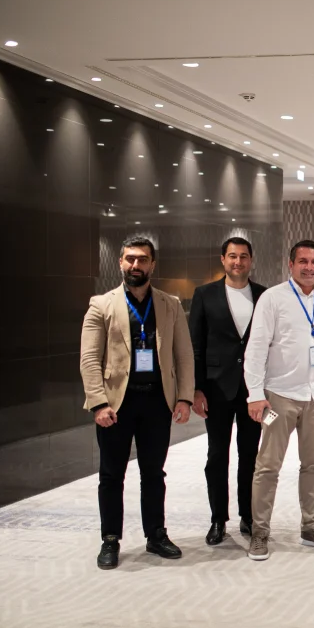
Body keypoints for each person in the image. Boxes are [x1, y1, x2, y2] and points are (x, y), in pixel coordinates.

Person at [79, 236, 194, 570]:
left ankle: (156, 534)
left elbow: (184, 355)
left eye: (142, 259)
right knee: (111, 474)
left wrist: (184, 397)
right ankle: (110, 539)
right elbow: (89, 359)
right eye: (130, 259)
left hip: (157, 402)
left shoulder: (170, 304)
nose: (135, 265)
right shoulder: (101, 305)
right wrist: (98, 403)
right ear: (120, 262)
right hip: (116, 404)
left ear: (152, 264)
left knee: (154, 473)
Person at [243, 240, 314, 560]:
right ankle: (260, 532)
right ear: (290, 265)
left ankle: (311, 527)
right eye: (303, 261)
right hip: (279, 397)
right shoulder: (273, 298)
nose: (309, 267)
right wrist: (255, 394)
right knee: (268, 466)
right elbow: (256, 348)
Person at [189, 237, 267, 545]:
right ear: (223, 259)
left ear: (251, 260)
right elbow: (195, 346)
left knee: (250, 455)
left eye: (243, 256)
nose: (238, 261)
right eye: (232, 256)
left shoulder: (264, 295)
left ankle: (248, 516)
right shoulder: (204, 295)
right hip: (216, 388)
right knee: (217, 456)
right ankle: (218, 519)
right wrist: (196, 389)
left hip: (253, 391)